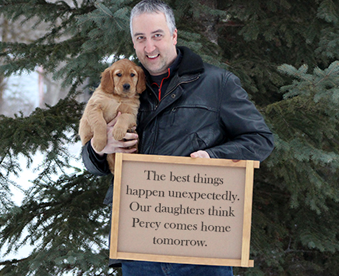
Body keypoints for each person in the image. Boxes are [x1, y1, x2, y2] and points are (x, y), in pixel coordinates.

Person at [82, 0, 274, 275]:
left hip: (201, 247)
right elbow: (89, 160)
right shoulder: (120, 85)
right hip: (139, 247)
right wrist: (101, 149)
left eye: (157, 35)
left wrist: (214, 157)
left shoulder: (217, 83)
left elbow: (261, 139)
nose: (149, 47)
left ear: (173, 35)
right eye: (141, 38)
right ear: (134, 43)